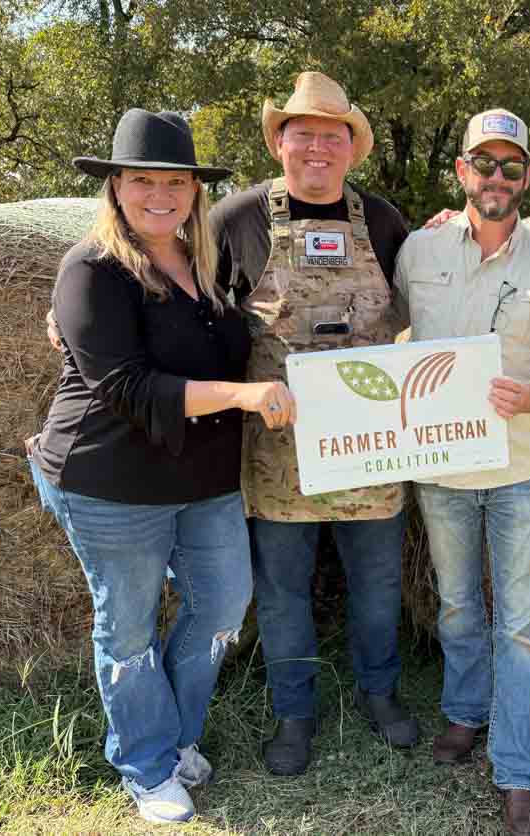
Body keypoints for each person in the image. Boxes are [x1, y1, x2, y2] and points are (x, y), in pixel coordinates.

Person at [28, 109, 296, 824]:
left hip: (201, 479)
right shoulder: (92, 269)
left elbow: (225, 343)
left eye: (174, 181)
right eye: (141, 180)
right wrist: (245, 394)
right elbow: (131, 387)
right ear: (115, 186)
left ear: (194, 190)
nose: (159, 194)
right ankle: (146, 764)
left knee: (220, 607)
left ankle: (171, 735)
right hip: (110, 482)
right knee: (128, 629)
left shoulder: (203, 261)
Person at [211, 72, 420, 775]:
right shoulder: (235, 219)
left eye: (334, 136)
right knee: (283, 594)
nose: (318, 148)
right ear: (279, 142)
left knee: (377, 585)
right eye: (304, 134)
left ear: (352, 148)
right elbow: (175, 293)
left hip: (370, 450)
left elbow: (429, 305)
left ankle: (380, 693)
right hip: (280, 456)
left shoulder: (386, 222)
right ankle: (294, 712)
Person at [394, 109, 530, 836]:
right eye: (484, 164)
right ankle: (465, 712)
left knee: (521, 625)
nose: (496, 178)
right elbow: (387, 336)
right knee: (456, 605)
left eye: (511, 166)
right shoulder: (419, 250)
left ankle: (518, 769)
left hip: (519, 471)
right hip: (440, 468)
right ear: (462, 172)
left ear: (526, 177)